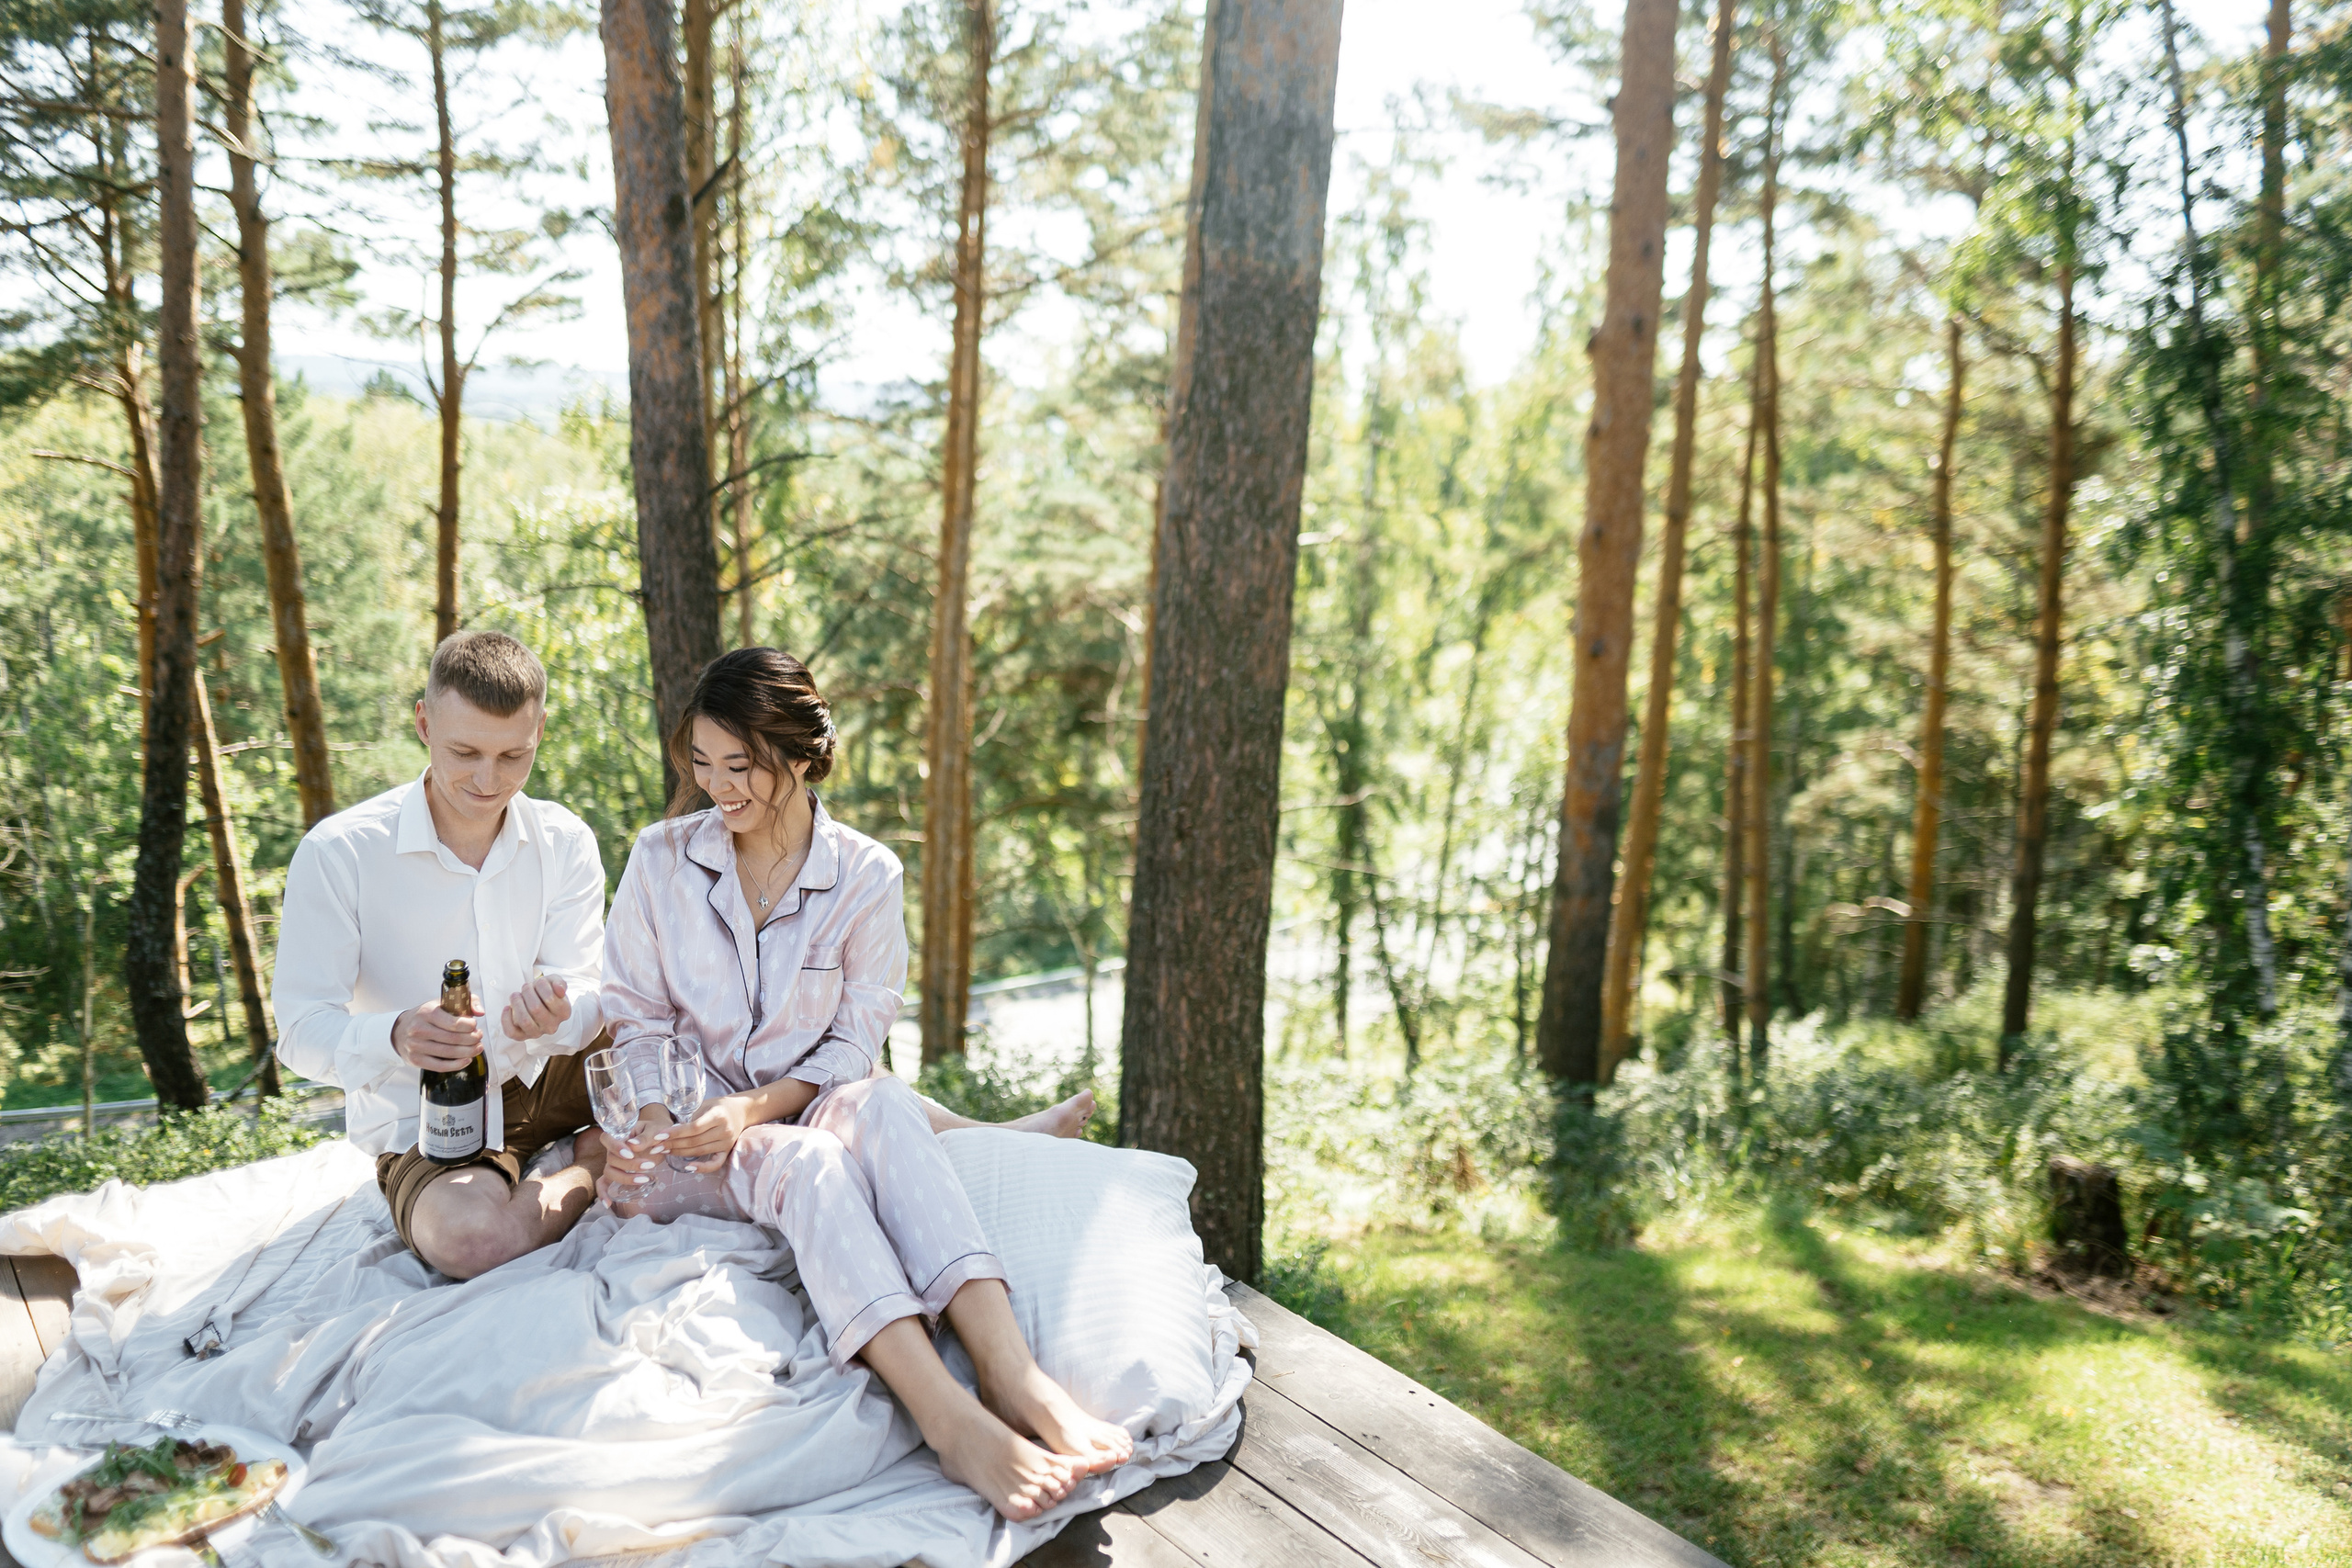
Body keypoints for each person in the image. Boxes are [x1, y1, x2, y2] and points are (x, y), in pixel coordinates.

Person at [597, 648, 1133, 1522]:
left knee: (881, 1097)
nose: (717, 787)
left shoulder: (866, 874)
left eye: (741, 765)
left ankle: (1012, 1373)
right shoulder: (660, 860)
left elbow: (853, 1044)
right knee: (809, 1161)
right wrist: (661, 1116)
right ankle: (949, 1418)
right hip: (693, 1146)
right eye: (702, 763)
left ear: (801, 756)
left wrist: (755, 1106)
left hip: (802, 1104)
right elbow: (637, 1017)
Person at [274, 632, 610, 1280]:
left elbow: (586, 985)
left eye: (513, 754)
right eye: (465, 752)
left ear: (540, 730)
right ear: (424, 724)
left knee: (695, 1039)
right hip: (432, 1115)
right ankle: (594, 1161)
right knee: (471, 1243)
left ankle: (585, 1139)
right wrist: (395, 1034)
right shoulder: (339, 854)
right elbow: (299, 1030)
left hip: (556, 1072)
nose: (489, 780)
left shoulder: (565, 839)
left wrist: (560, 1010)